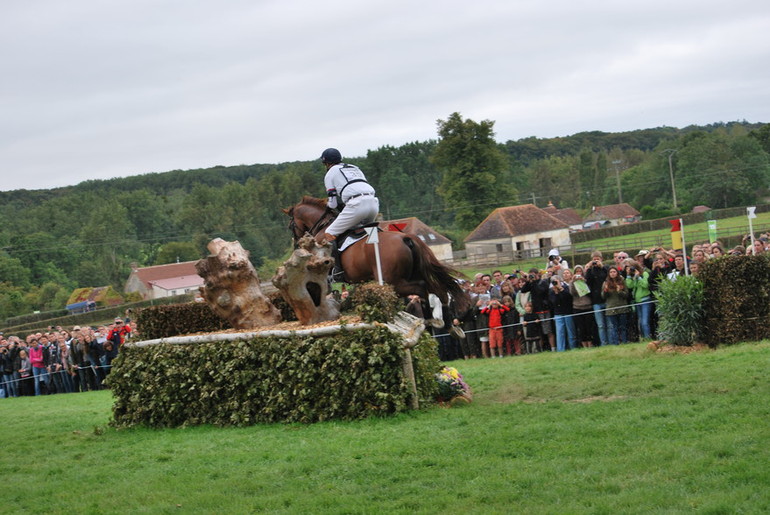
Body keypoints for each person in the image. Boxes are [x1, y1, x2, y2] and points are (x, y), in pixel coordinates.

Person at [315, 148, 379, 245]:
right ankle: (375, 248)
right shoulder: (355, 167)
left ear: (326, 163)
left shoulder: (330, 173)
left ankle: (335, 260)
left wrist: (329, 205)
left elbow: (332, 204)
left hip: (357, 205)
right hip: (373, 203)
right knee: (370, 232)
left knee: (329, 233)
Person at [584, 251, 610, 346]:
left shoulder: (606, 268)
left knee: (609, 324)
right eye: (594, 259)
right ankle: (604, 343)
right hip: (596, 301)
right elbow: (587, 284)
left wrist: (601, 266)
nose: (595, 261)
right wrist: (588, 268)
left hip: (607, 299)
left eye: (597, 259)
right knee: (601, 325)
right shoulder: (590, 270)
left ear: (601, 259)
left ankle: (611, 342)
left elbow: (609, 276)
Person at [549, 274, 577, 351]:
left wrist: (561, 289)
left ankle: (573, 348)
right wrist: (556, 293)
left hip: (568, 312)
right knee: (560, 333)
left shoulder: (566, 288)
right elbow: (554, 302)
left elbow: (568, 298)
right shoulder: (551, 291)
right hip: (558, 313)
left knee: (571, 332)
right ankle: (561, 349)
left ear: (560, 281)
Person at [602, 267, 631, 345]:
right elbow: (603, 297)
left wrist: (619, 291)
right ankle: (616, 343)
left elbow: (626, 295)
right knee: (614, 327)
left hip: (622, 307)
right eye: (611, 272)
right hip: (611, 308)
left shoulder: (622, 281)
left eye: (614, 272)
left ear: (617, 273)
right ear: (609, 274)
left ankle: (624, 342)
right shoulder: (606, 283)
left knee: (623, 327)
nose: (612, 273)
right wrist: (605, 291)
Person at [569, 266, 594, 348]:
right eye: (577, 272)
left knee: (589, 327)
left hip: (587, 306)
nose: (579, 273)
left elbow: (589, 292)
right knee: (581, 328)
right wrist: (573, 282)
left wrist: (584, 282)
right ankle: (584, 345)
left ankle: (590, 344)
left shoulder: (586, 280)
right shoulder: (572, 282)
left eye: (580, 271)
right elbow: (572, 293)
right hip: (577, 307)